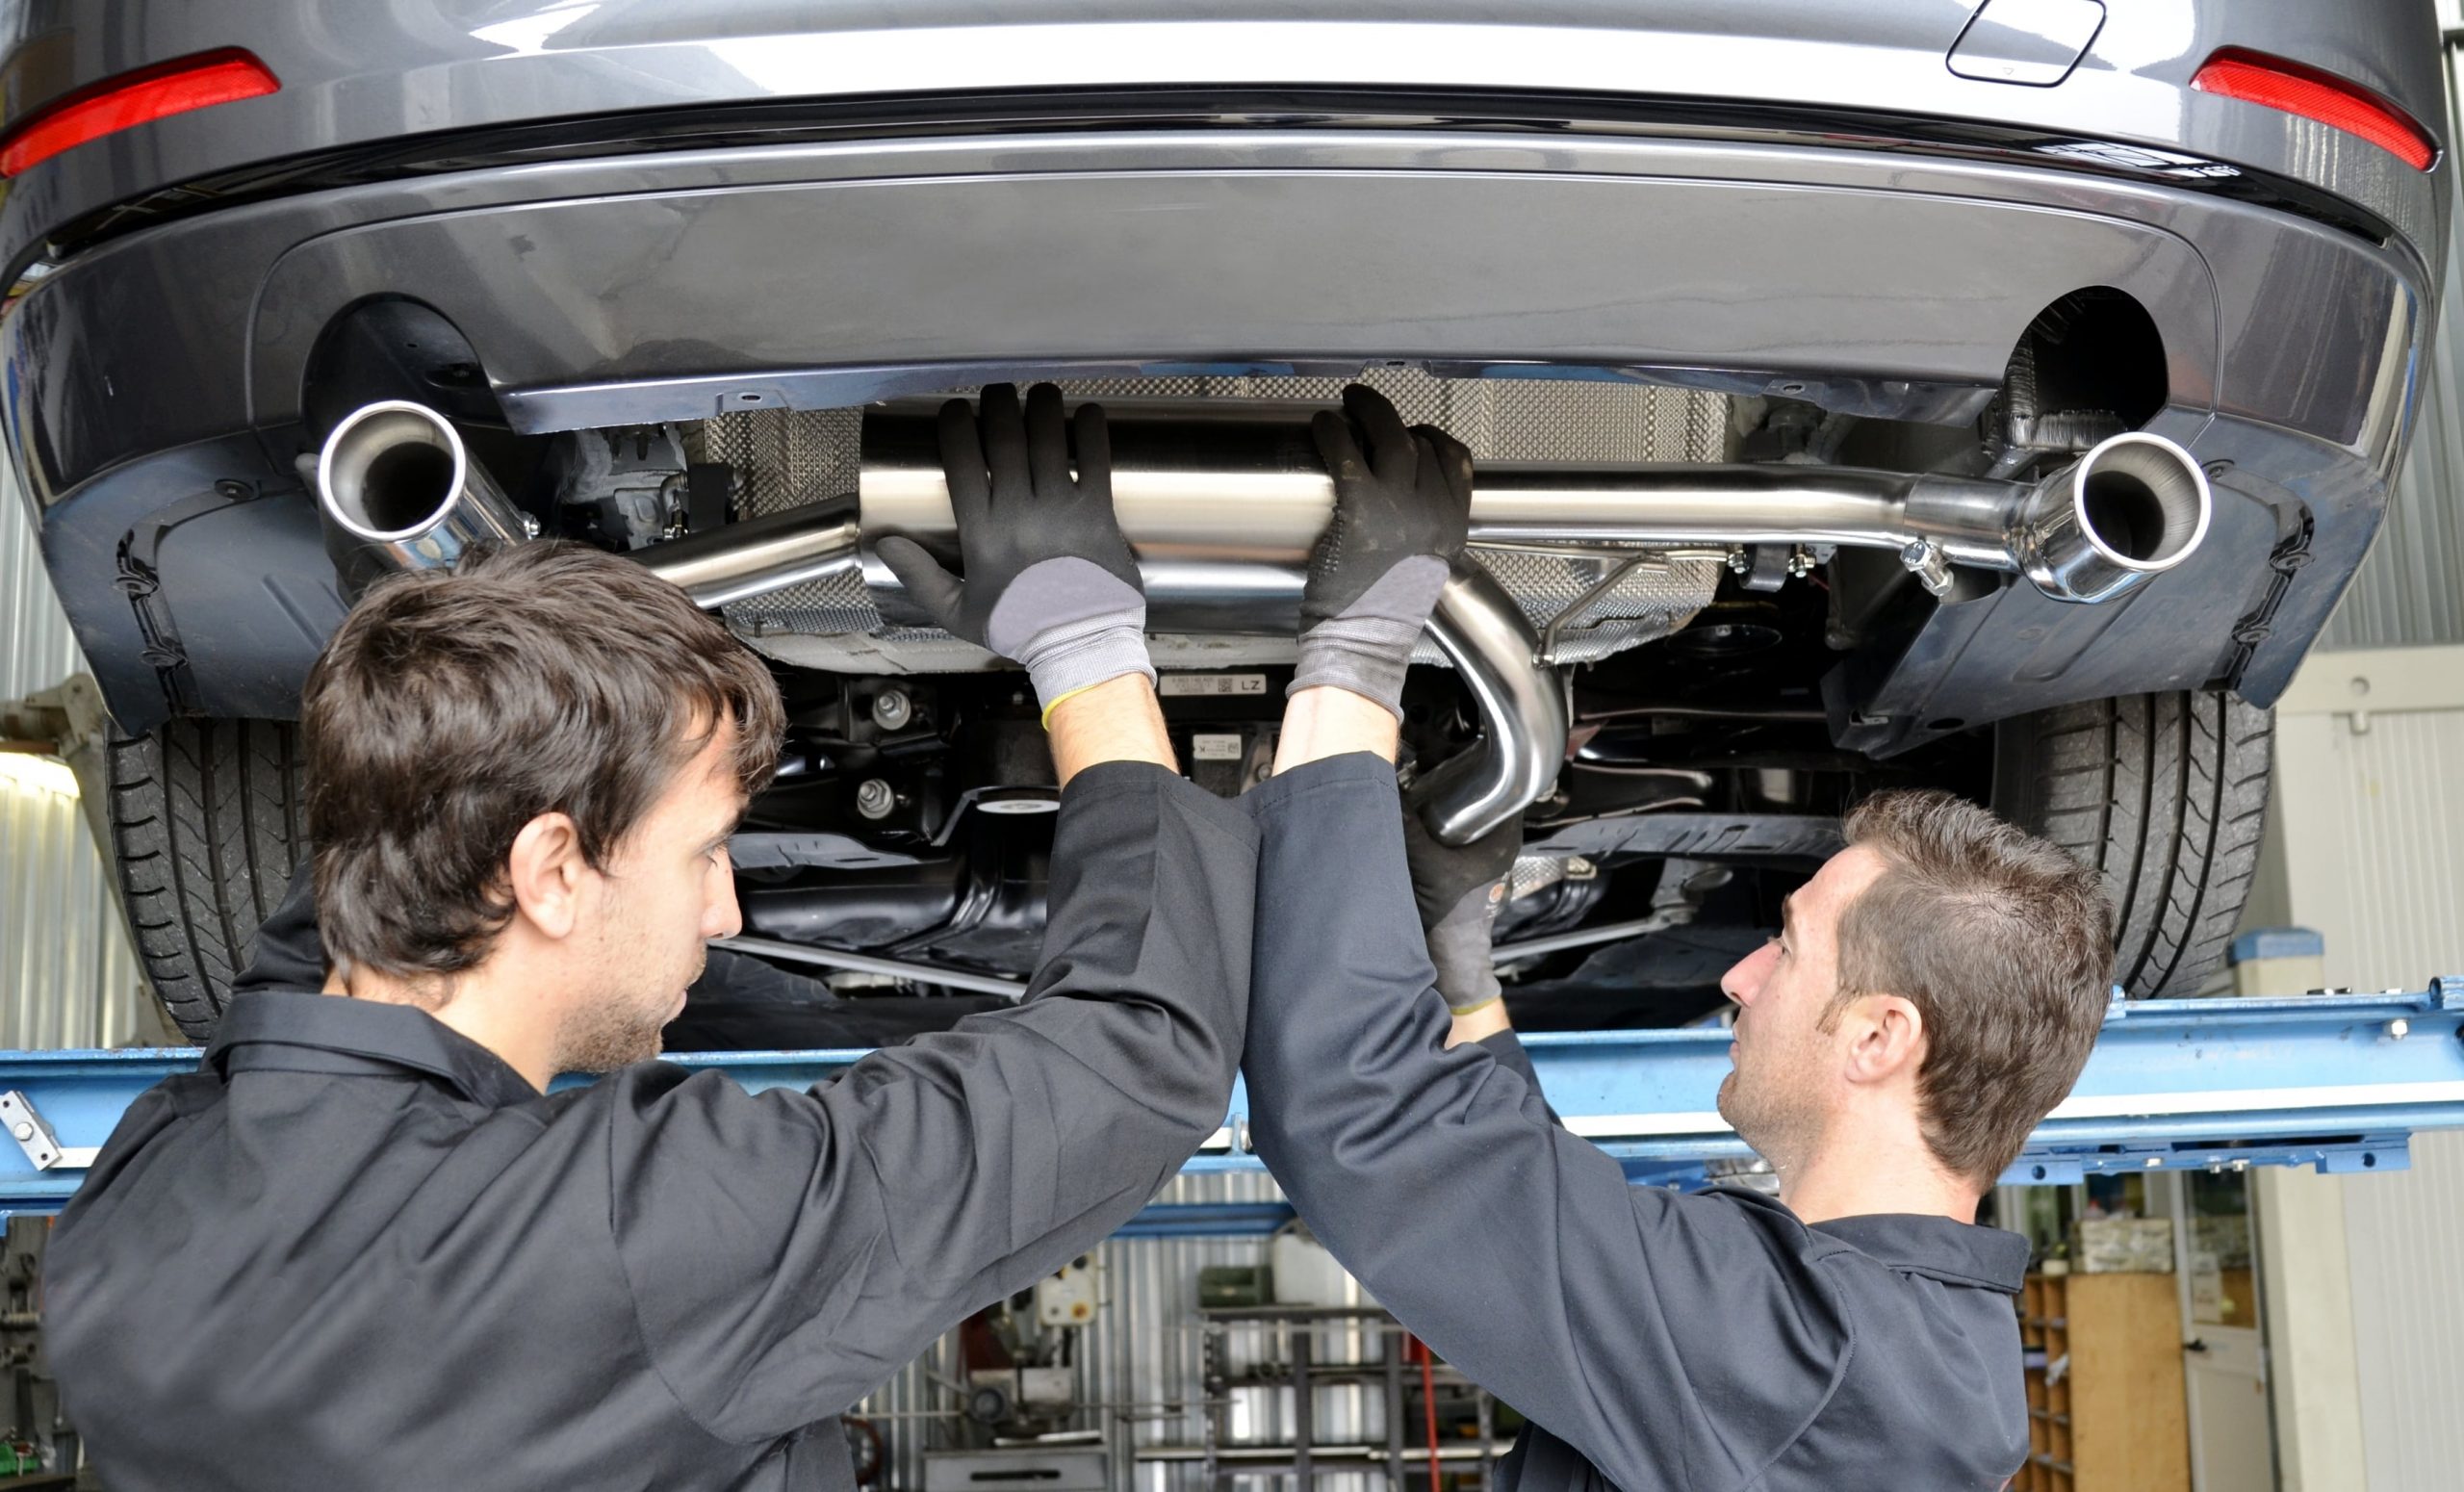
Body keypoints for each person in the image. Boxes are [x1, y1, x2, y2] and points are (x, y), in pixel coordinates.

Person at [47, 383, 1262, 1492]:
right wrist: (1085, 640)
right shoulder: (632, 1241)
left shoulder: (136, 1224)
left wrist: (486, 658)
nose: (726, 907)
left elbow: (328, 951)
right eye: (707, 849)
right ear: (551, 870)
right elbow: (1134, 1058)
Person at [1240, 387, 2118, 1490]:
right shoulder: (1882, 1359)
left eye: (1788, 947)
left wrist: (1363, 642)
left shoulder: (1824, 1358)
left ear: (1880, 1036)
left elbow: (1361, 1128)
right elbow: (1549, 1222)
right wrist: (1462, 963)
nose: (1738, 973)